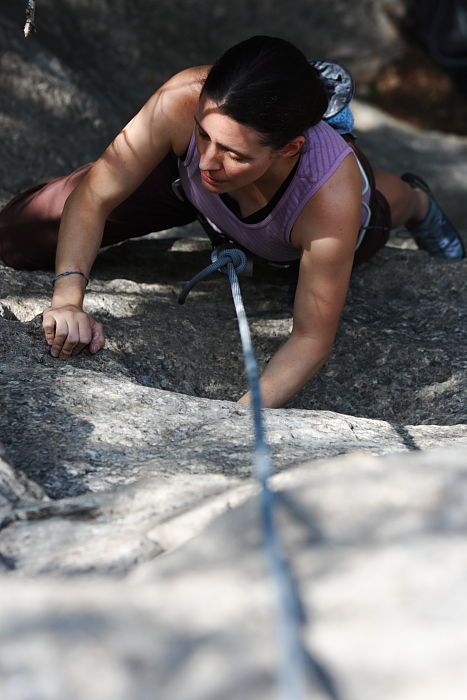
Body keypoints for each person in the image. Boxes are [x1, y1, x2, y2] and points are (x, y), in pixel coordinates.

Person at [0, 36, 464, 408]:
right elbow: (94, 196)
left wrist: (240, 420)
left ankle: (416, 201)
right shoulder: (184, 102)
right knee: (16, 236)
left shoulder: (329, 199)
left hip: (299, 212)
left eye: (233, 152)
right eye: (203, 134)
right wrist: (68, 300)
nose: (208, 158)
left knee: (376, 208)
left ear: (289, 147)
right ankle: (296, 96)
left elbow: (310, 338)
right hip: (194, 195)